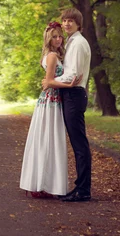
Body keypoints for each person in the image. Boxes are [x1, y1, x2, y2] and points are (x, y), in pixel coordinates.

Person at [19, 21, 80, 198]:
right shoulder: (52, 56)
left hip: (52, 102)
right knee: (48, 141)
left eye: (60, 36)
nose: (59, 39)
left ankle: (42, 184)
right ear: (48, 38)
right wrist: (69, 84)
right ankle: (40, 185)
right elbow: (49, 82)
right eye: (54, 36)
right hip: (50, 102)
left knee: (47, 141)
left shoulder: (53, 55)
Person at [42, 8, 92, 202]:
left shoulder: (78, 43)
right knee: (77, 143)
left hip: (74, 94)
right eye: (65, 21)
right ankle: (80, 187)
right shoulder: (71, 42)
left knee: (80, 144)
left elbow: (73, 75)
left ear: (78, 24)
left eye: (71, 21)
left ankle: (83, 190)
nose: (67, 24)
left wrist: (51, 81)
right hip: (69, 93)